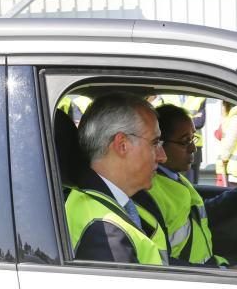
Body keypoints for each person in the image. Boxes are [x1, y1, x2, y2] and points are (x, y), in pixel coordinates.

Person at [148, 104, 237, 266]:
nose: (192, 148)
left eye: (192, 139)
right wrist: (224, 272)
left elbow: (202, 214)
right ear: (159, 145)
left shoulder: (176, 179)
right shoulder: (150, 190)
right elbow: (162, 262)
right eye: (184, 141)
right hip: (197, 277)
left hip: (210, 265)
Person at [65, 93, 169, 265]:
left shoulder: (118, 204)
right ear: (122, 145)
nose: (162, 156)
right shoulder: (105, 230)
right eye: (155, 143)